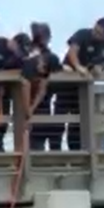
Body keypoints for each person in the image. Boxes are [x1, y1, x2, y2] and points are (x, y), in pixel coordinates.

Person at [55, 18, 104, 150]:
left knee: (79, 121)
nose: (95, 34)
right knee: (59, 118)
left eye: (99, 33)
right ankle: (55, 149)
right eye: (95, 30)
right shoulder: (82, 34)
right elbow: (72, 52)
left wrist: (100, 68)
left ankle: (76, 152)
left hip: (84, 86)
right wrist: (78, 67)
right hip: (67, 80)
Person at [24, 22, 63, 151]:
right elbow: (53, 80)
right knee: (39, 143)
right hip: (42, 107)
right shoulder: (51, 58)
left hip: (22, 104)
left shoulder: (24, 55)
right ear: (47, 37)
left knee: (30, 144)